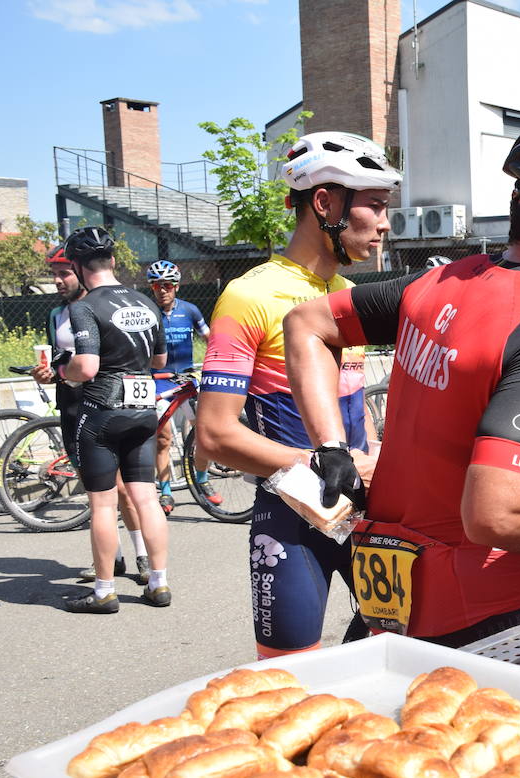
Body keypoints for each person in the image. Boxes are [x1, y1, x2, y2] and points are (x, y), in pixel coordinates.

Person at [282, 114, 520, 646]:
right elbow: (497, 514)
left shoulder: (438, 281)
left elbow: (306, 324)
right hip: (483, 617)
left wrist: (330, 447)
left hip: (386, 607)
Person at [197, 131, 394, 659]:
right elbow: (214, 434)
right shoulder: (250, 295)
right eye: (374, 206)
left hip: (362, 512)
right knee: (289, 684)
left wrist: (368, 458)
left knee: (400, 656)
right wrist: (321, 462)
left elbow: (354, 403)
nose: (384, 222)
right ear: (326, 203)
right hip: (289, 517)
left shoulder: (349, 297)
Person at [55, 227, 170, 612]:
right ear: (114, 261)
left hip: (103, 410)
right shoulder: (147, 302)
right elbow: (160, 362)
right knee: (147, 499)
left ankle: (104, 591)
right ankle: (159, 583)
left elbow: (86, 367)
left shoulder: (85, 306)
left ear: (76, 265)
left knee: (103, 505)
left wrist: (62, 370)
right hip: (144, 410)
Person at [34, 246, 152, 583]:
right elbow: (59, 362)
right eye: (54, 275)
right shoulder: (57, 314)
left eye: (64, 273)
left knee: (124, 489)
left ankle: (142, 553)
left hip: (107, 406)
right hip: (72, 407)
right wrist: (46, 373)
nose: (58, 281)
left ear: (80, 269)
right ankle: (113, 559)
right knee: (95, 489)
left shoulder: (103, 307)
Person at [144, 259, 213, 515]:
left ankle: (202, 479)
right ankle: (165, 491)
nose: (163, 290)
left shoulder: (190, 310)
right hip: (158, 380)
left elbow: (210, 339)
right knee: (162, 439)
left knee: (204, 434)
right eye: (156, 286)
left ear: (177, 286)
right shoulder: (148, 312)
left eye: (168, 285)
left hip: (186, 379)